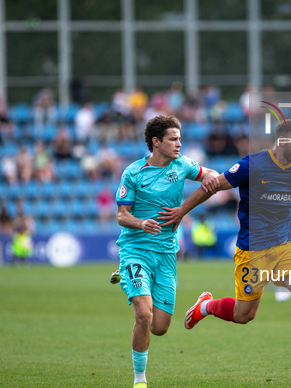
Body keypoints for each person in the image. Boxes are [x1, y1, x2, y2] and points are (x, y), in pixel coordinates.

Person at [159, 119, 291, 383]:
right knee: (244, 315)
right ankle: (205, 306)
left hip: (285, 245)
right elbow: (212, 186)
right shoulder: (252, 165)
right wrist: (181, 212)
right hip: (252, 252)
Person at [113, 115, 219, 388]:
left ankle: (127, 276)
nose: (179, 144)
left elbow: (213, 179)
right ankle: (139, 380)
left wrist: (187, 205)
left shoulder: (182, 165)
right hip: (136, 248)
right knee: (143, 315)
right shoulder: (133, 173)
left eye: (180, 138)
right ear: (155, 141)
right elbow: (121, 216)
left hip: (166, 253)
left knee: (159, 327)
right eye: (173, 139)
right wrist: (140, 223)